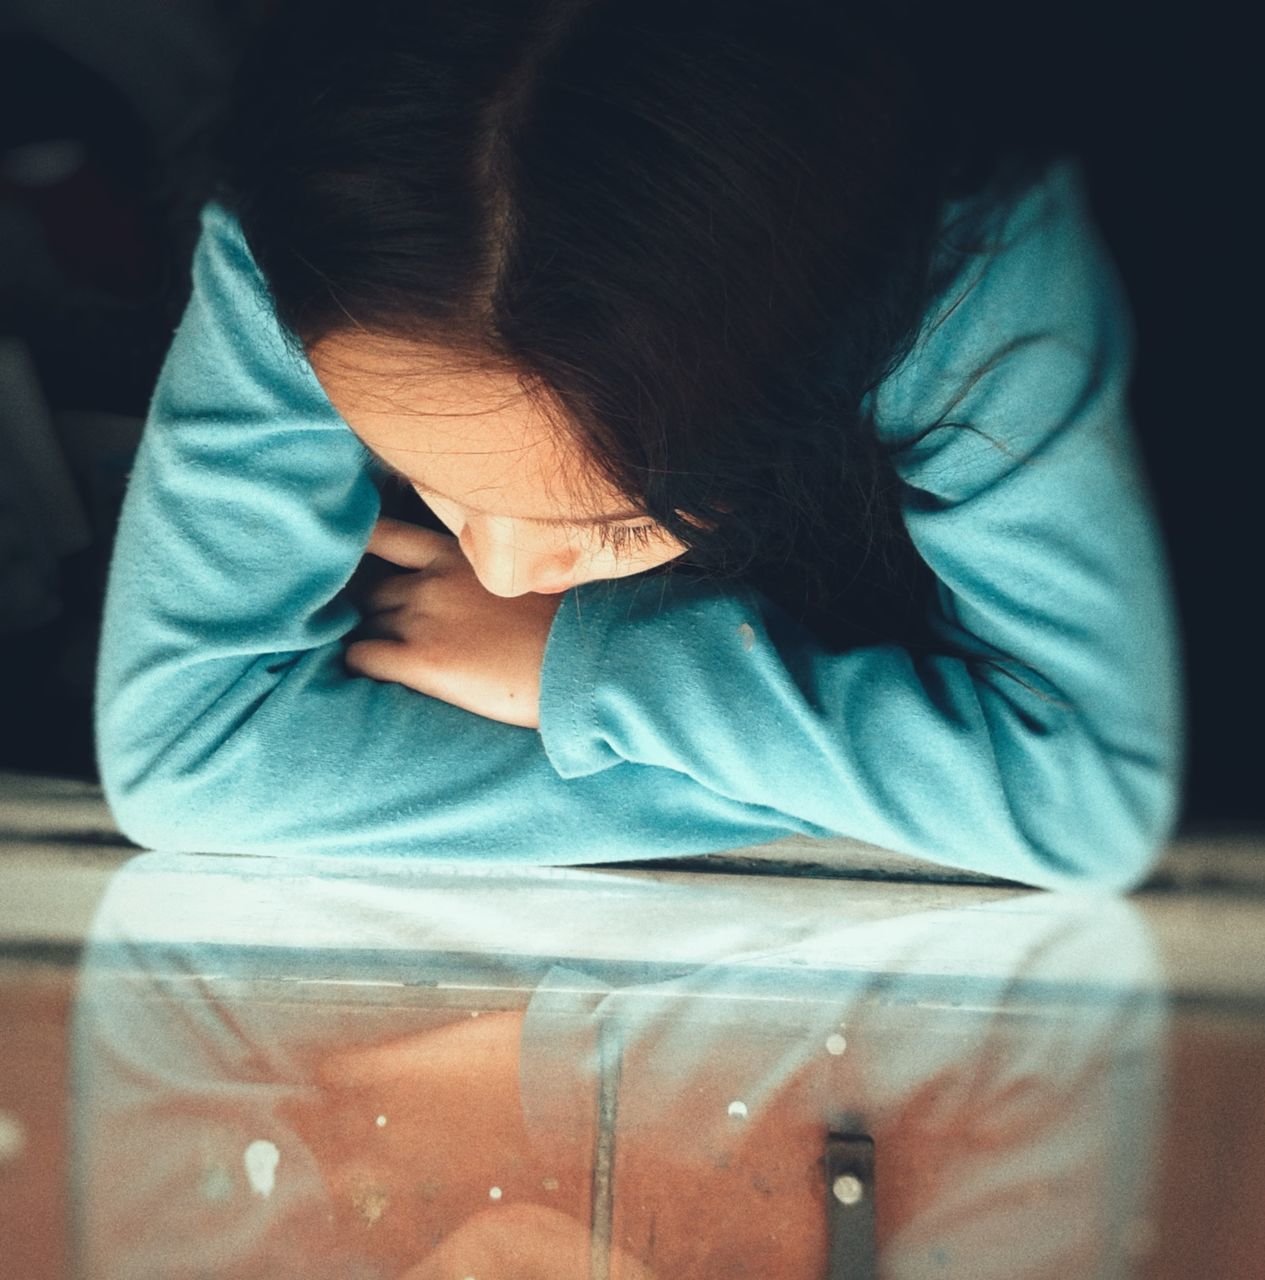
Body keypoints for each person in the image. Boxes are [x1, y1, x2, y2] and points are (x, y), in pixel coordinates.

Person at [94, 0, 1183, 887]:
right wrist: (915, 776)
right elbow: (181, 758)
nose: (504, 574)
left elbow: (1088, 794)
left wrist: (604, 674)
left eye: (615, 520)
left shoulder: (964, 265)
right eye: (427, 477)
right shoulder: (323, 235)